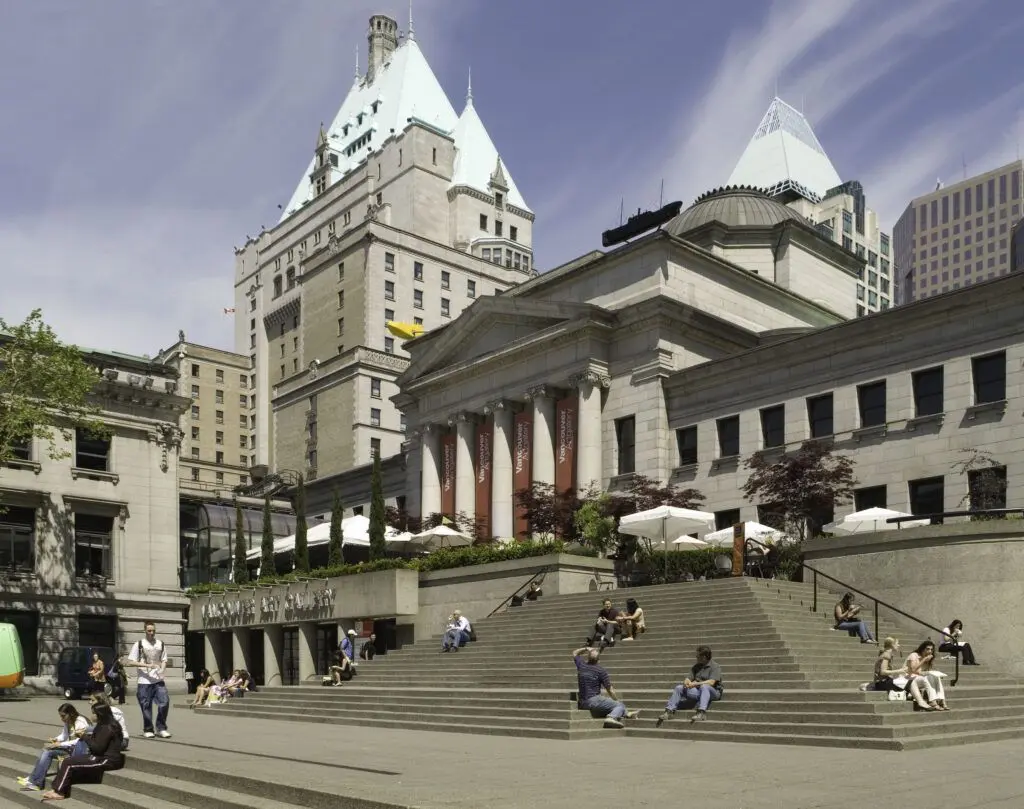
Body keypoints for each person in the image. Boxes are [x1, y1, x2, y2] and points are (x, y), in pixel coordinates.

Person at [41, 704, 126, 801]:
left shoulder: (107, 727)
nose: (91, 716)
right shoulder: (103, 725)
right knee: (67, 760)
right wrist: (85, 736)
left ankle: (59, 792)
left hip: (106, 760)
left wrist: (84, 736)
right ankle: (55, 789)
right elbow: (97, 743)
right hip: (99, 756)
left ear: (100, 714)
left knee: (68, 763)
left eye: (93, 713)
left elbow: (98, 748)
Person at [17, 703, 88, 792]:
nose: (62, 719)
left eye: (63, 716)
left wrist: (59, 744)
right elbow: (64, 735)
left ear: (70, 713)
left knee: (49, 751)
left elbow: (80, 740)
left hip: (80, 751)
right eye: (60, 716)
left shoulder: (80, 721)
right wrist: (55, 739)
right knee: (46, 750)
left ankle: (35, 780)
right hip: (70, 749)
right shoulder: (68, 721)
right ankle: (34, 779)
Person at [571, 645, 639, 729]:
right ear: (598, 660)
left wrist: (586, 648)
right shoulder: (600, 671)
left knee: (616, 705)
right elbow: (610, 690)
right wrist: (616, 701)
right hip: (594, 701)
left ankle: (628, 714)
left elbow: (575, 653)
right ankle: (611, 718)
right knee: (620, 705)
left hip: (583, 702)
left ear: (588, 658)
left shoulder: (581, 666)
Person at [656, 646, 724, 725]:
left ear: (704, 657)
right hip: (698, 692)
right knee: (679, 688)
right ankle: (669, 712)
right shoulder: (696, 666)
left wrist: (695, 683)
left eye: (697, 656)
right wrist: (687, 682)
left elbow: (711, 682)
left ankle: (701, 713)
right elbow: (688, 678)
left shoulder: (715, 666)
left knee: (704, 686)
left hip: (713, 692)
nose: (696, 658)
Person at [125, 621, 171, 738]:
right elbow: (130, 662)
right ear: (145, 631)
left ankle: (161, 727)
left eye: (153, 631)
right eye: (149, 631)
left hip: (158, 679)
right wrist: (147, 666)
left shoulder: (160, 644)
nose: (152, 633)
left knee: (164, 702)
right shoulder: (139, 644)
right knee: (146, 706)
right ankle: (148, 729)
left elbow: (164, 659)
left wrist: (162, 670)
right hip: (144, 681)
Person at [905, 640, 949, 711]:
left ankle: (942, 701)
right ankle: (933, 702)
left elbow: (923, 672)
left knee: (936, 677)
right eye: (927, 649)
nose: (930, 651)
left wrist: (932, 672)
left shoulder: (928, 658)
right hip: (909, 678)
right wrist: (924, 660)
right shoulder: (913, 655)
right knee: (925, 678)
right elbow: (913, 670)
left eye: (931, 649)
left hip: (919, 678)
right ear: (922, 648)